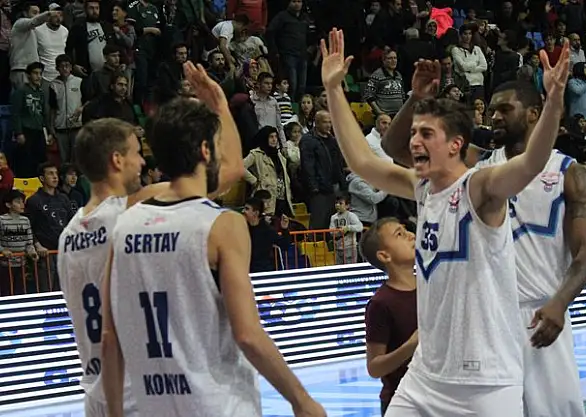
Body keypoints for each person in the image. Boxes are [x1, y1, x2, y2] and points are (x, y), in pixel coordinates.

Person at [320, 28, 570, 415]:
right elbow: (362, 161)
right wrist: (334, 89)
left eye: (426, 134)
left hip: (485, 380)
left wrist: (553, 102)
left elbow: (531, 163)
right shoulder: (422, 188)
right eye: (414, 133)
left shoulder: (480, 187)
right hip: (426, 376)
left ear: (455, 144)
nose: (414, 142)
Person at [99, 75, 326, 416]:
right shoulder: (223, 225)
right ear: (206, 151)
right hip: (218, 403)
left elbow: (109, 337)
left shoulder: (125, 224)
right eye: (217, 143)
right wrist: (300, 399)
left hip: (153, 404)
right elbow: (247, 335)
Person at [383, 77, 586, 417]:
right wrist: (416, 99)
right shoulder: (476, 165)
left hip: (540, 313)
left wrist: (560, 302)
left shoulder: (569, 172)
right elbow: (395, 149)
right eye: (492, 109)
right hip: (486, 319)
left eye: (505, 109)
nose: (495, 116)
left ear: (533, 113)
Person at [57, 62, 245, 417]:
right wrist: (219, 104)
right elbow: (232, 169)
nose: (142, 162)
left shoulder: (68, 234)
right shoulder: (133, 209)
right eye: (135, 153)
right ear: (117, 160)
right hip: (138, 389)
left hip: (95, 393)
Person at [362, 217, 418, 415]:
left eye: (407, 230)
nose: (411, 235)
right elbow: (374, 367)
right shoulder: (381, 304)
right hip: (402, 401)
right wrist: (411, 345)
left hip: (438, 396)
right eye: (400, 234)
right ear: (384, 255)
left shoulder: (431, 286)